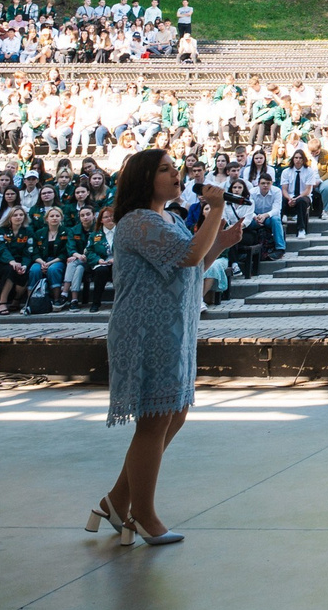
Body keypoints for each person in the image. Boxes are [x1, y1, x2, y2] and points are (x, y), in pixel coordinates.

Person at [96, 146, 240, 549]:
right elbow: (190, 253)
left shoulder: (168, 218)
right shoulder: (136, 222)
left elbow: (192, 261)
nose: (177, 174)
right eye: (165, 169)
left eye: (176, 168)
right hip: (145, 330)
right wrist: (214, 211)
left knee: (173, 415)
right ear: (145, 179)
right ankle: (142, 515)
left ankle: (116, 501)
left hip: (171, 330)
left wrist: (222, 243)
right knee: (156, 419)